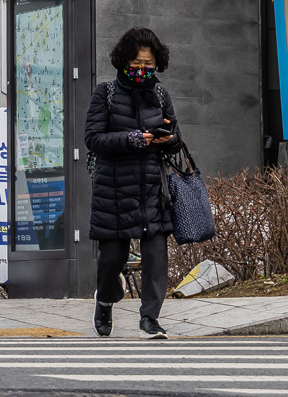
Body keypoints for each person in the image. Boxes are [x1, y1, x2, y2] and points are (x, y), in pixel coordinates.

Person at [86, 27, 183, 340]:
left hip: (152, 189)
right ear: (123, 62)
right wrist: (129, 139)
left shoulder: (160, 95)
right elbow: (93, 138)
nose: (142, 71)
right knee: (111, 259)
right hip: (113, 191)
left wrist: (169, 140)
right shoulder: (106, 93)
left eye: (148, 65)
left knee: (156, 256)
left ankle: (149, 320)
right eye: (136, 65)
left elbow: (175, 137)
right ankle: (105, 300)